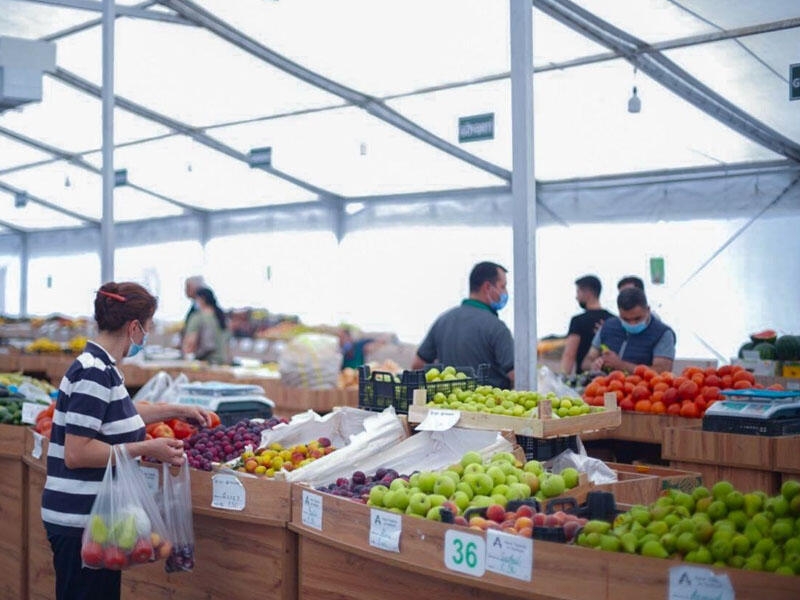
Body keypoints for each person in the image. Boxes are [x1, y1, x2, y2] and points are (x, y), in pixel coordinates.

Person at [42, 282, 211, 600]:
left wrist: (176, 410)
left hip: (95, 518)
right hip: (80, 520)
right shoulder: (92, 373)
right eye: (147, 328)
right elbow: (77, 453)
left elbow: (118, 416)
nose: (145, 337)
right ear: (134, 327)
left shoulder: (104, 368)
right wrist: (147, 448)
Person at [411, 261, 514, 389]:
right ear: (487, 287)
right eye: (503, 287)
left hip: (448, 404)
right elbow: (516, 374)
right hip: (489, 406)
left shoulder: (443, 321)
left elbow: (417, 365)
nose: (506, 293)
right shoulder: (497, 328)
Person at [582, 287, 676, 373]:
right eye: (626, 319)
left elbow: (662, 371)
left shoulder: (662, 334)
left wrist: (620, 365)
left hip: (641, 390)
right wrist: (594, 365)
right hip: (606, 388)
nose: (632, 324)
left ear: (648, 310)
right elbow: (586, 362)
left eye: (637, 318)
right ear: (619, 313)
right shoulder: (607, 327)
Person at [559, 275, 615, 375]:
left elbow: (569, 355)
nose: (576, 297)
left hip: (586, 382)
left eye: (578, 292)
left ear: (587, 292)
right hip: (611, 382)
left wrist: (561, 381)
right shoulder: (613, 319)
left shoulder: (578, 321)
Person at [182, 287, 230, 364]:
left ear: (202, 299)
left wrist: (187, 360)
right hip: (222, 363)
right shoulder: (222, 317)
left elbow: (190, 342)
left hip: (205, 363)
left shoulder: (198, 317)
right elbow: (227, 345)